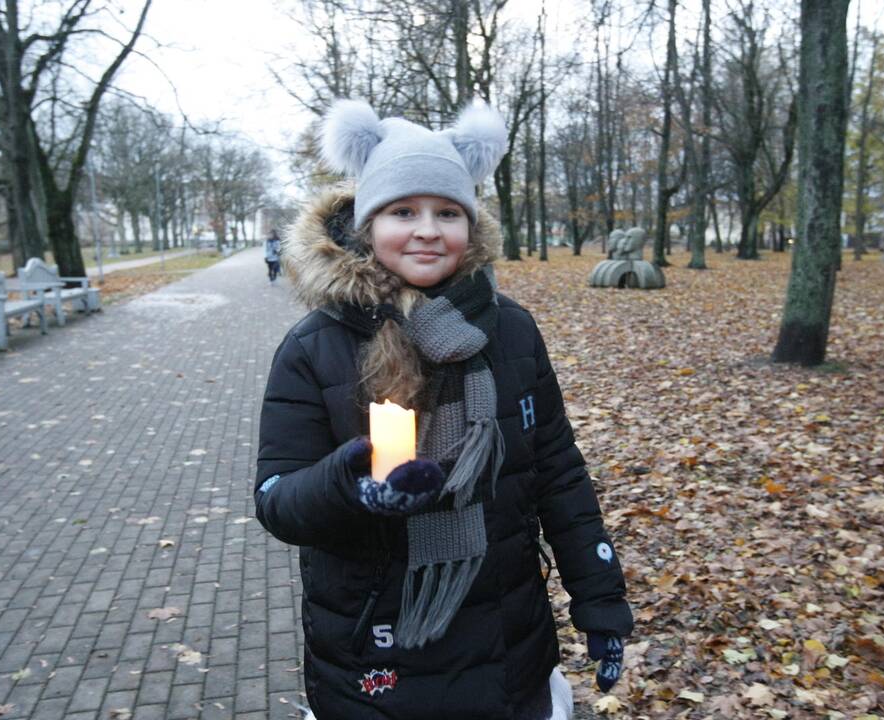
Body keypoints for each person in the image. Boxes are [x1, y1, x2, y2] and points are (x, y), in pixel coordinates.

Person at [254, 99, 634, 720]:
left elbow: (558, 473)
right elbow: (276, 497)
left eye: (448, 212)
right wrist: (352, 486)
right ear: (366, 225)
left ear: (471, 226)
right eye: (404, 211)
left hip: (511, 643)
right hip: (377, 651)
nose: (428, 229)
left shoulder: (510, 330)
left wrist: (599, 599)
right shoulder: (314, 347)